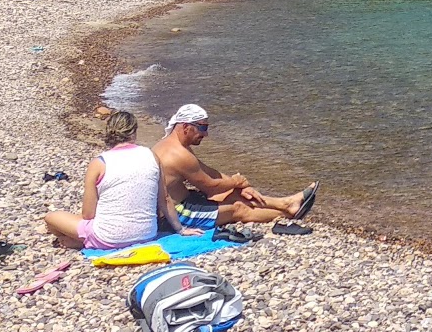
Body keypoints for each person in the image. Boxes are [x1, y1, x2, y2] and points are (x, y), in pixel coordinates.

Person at [43, 112, 199, 250]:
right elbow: (164, 199)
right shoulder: (151, 156)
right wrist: (180, 230)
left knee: (51, 218)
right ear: (134, 133)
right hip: (146, 234)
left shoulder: (99, 163)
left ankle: (79, 241)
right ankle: (79, 240)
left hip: (108, 238)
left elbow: (88, 214)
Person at [153, 105, 317, 230]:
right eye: (203, 128)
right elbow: (211, 187)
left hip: (183, 201)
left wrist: (241, 185)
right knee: (238, 208)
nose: (206, 134)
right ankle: (287, 213)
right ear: (186, 127)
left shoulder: (177, 146)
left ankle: (286, 203)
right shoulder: (178, 154)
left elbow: (211, 173)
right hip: (175, 214)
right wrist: (237, 182)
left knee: (232, 193)